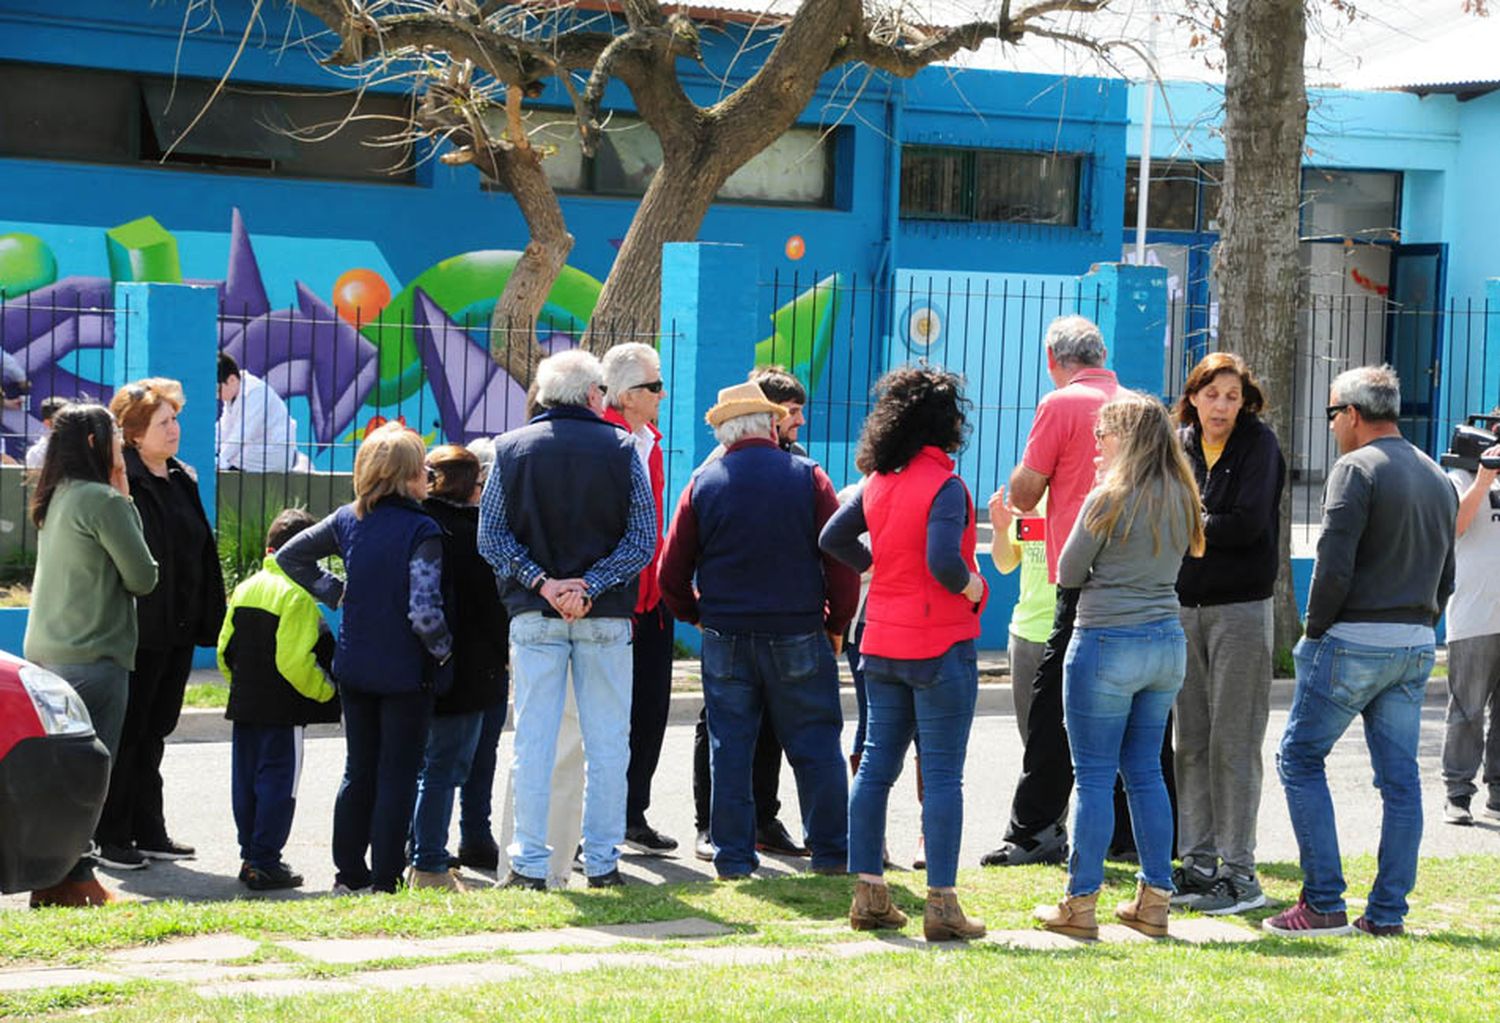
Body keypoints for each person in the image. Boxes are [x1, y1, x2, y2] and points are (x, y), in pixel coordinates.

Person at [1265, 364, 1456, 938]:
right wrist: (1426, 621)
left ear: (1351, 414)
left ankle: (1323, 902)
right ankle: (1387, 914)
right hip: (1416, 639)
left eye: (1331, 415)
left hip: (1352, 639)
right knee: (1401, 783)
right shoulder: (1437, 474)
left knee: (1298, 759)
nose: (1331, 427)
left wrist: (1314, 630)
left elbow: (1333, 564)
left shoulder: (1355, 469)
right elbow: (1448, 571)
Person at [660, 380, 856, 880]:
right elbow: (840, 560)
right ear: (770, 424)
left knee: (731, 746)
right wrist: (836, 622)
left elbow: (670, 572)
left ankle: (733, 857)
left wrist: (697, 614)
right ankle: (832, 853)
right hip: (798, 629)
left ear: (726, 433)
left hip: (726, 633)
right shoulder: (807, 477)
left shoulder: (704, 482)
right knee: (815, 744)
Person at [821, 367, 990, 941]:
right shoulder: (946, 485)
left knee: (874, 768)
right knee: (942, 775)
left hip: (881, 641)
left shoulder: (878, 482)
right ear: (947, 423)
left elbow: (832, 539)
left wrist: (880, 570)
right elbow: (946, 563)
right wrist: (973, 585)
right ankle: (941, 904)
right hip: (939, 643)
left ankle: (869, 893)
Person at [478, 349, 655, 890]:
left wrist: (543, 583)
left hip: (535, 614)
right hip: (604, 618)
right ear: (594, 395)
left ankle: (530, 862)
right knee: (607, 744)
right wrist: (592, 585)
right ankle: (601, 861)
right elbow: (643, 538)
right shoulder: (625, 448)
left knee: (534, 741)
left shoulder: (509, 450)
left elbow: (491, 537)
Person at [1033, 392, 1204, 940]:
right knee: (1147, 771)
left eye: (1104, 434)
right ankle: (1155, 899)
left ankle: (1080, 904)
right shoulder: (1183, 494)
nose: (1096, 443)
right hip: (1165, 643)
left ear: (1125, 438)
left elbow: (1068, 570)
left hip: (1107, 640)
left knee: (1093, 777)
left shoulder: (1108, 496)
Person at [278, 423, 454, 895]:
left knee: (359, 770)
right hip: (404, 671)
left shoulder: (348, 519)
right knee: (398, 774)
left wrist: (336, 593)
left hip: (356, 664)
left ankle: (348, 874)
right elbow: (424, 610)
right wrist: (444, 651)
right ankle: (384, 878)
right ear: (412, 475)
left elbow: (289, 557)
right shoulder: (423, 529)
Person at [982, 315, 1119, 867]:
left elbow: (1027, 487)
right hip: (1133, 586)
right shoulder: (1137, 404)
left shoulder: (1059, 404)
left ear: (1051, 358)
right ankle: (1121, 834)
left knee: (1047, 719)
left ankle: (1037, 829)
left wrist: (1022, 481)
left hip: (1073, 581)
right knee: (1124, 726)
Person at [23, 403, 158, 907]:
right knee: (91, 774)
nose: (124, 448)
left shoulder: (54, 497)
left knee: (58, 774)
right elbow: (143, 577)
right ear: (100, 446)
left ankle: (52, 876)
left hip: (45, 654)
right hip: (95, 657)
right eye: (118, 441)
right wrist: (126, 498)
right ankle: (78, 878)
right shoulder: (105, 501)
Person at [1170, 353, 1286, 915]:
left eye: (1232, 397)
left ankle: (1240, 872)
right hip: (1182, 604)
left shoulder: (1260, 446)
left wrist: (1188, 522)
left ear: (1246, 402)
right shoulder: (1178, 442)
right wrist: (1195, 524)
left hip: (1240, 607)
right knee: (1189, 739)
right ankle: (1198, 863)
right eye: (1212, 394)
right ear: (1193, 396)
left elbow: (1246, 525)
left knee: (1234, 741)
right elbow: (1159, 510)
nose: (1222, 406)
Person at [94, 379, 225, 871]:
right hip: (138, 629)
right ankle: (112, 836)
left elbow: (200, 550)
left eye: (175, 419)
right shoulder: (120, 481)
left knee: (155, 730)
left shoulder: (179, 477)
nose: (175, 430)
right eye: (163, 423)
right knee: (129, 732)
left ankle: (150, 829)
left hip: (178, 627)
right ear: (132, 434)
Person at [691, 365, 813, 860]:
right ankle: (710, 824)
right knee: (718, 726)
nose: (799, 422)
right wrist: (697, 608)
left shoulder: (800, 464)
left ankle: (765, 817)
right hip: (730, 617)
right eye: (793, 412)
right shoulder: (720, 463)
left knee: (773, 726)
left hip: (784, 616)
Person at [217, 508, 338, 892]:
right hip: (283, 711)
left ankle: (249, 854)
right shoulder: (299, 597)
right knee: (278, 784)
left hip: (246, 704)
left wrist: (240, 683)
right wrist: (327, 689)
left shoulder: (246, 587)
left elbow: (224, 649)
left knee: (245, 782)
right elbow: (294, 662)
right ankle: (266, 859)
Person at [408, 446, 510, 890]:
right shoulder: (478, 533)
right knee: (457, 764)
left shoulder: (417, 525)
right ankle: (434, 852)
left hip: (426, 662)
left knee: (426, 764)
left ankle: (425, 843)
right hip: (476, 666)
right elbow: (494, 604)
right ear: (474, 486)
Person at [600, 342, 677, 855]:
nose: (661, 394)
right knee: (604, 718)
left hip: (654, 599)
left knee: (650, 712)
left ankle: (633, 812)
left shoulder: (651, 440)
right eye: (653, 386)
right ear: (627, 395)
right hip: (614, 598)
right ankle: (595, 821)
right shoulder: (604, 440)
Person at [1439, 412, 1500, 827]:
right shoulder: (1459, 479)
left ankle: (1498, 790)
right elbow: (1454, 528)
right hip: (1475, 614)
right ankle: (1458, 792)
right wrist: (1483, 480)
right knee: (1467, 709)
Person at [456, 436, 507, 866]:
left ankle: (472, 833)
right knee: (470, 752)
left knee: (469, 751)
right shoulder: (492, 531)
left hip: (475, 655)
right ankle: (471, 832)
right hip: (484, 656)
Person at [988, 490, 1054, 744]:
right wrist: (1001, 531)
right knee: (1032, 740)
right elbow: (1005, 564)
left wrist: (1047, 526)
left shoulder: (1084, 491)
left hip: (1070, 632)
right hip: (1026, 634)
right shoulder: (1030, 493)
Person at [217, 352, 297, 472]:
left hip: (275, 453)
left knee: (234, 455)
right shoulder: (232, 395)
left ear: (232, 380)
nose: (217, 396)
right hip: (255, 450)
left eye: (217, 389)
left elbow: (243, 433)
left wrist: (221, 460)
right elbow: (224, 429)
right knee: (232, 453)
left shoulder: (254, 392)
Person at [25, 396, 68, 470]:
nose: (69, 423)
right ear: (47, 423)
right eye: (63, 420)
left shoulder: (80, 445)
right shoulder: (36, 453)